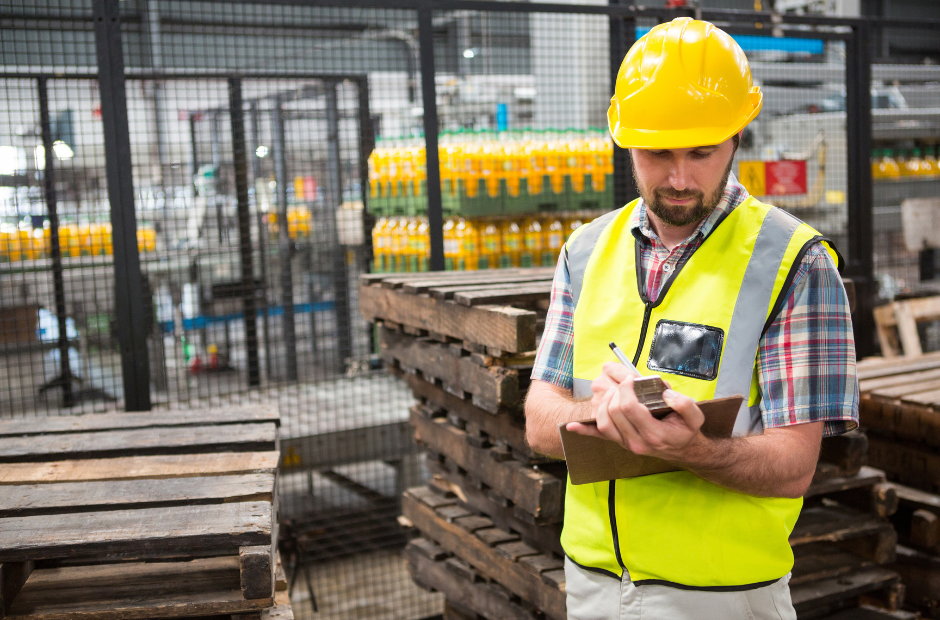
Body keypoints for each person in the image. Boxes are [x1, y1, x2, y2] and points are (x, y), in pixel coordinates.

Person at [523, 17, 859, 620]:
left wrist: (695, 450)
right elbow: (540, 420)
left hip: (725, 599)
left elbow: (793, 466)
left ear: (736, 137)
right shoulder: (583, 252)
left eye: (702, 152)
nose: (679, 179)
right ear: (626, 141)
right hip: (594, 587)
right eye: (657, 153)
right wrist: (595, 415)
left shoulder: (796, 265)